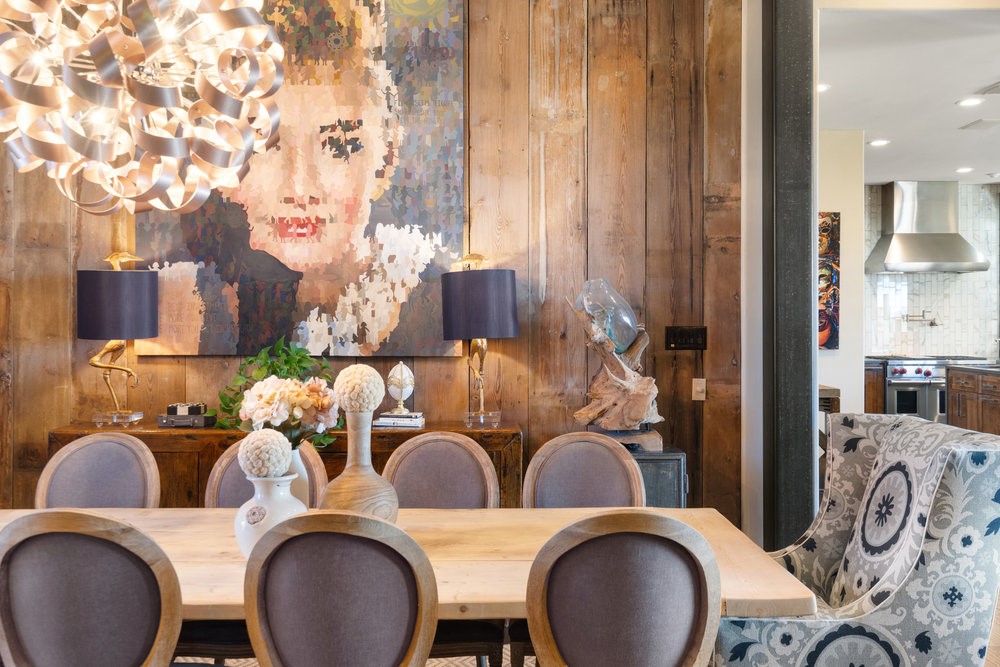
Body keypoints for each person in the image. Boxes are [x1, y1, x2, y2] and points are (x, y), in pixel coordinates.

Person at [148, 0, 456, 355]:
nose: (299, 189)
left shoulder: (434, 303)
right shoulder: (181, 304)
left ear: (386, 156)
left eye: (336, 146)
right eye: (266, 144)